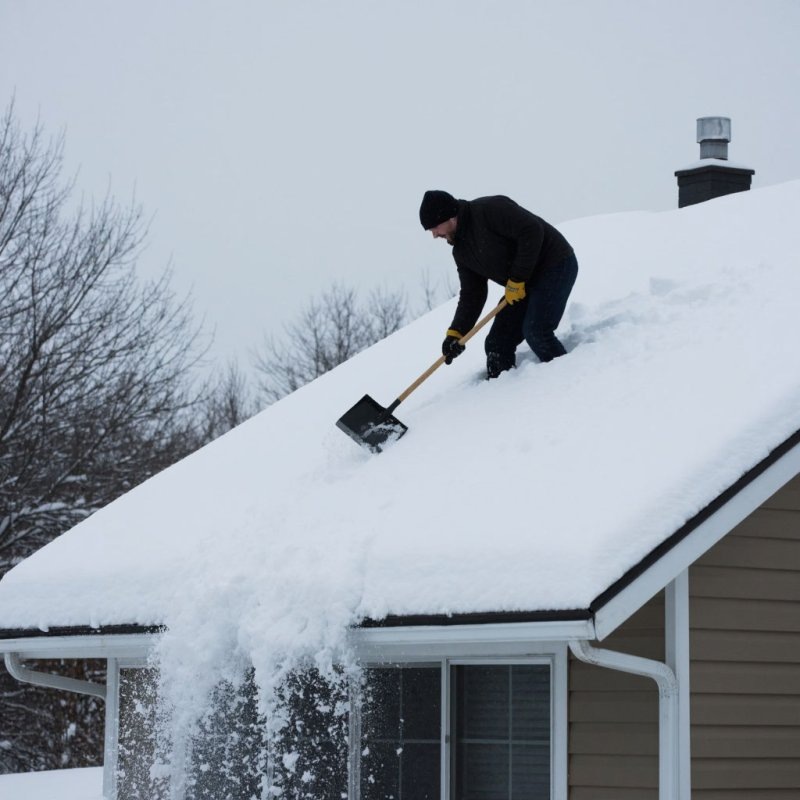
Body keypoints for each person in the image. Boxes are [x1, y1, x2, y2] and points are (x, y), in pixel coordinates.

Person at [419, 190, 578, 378]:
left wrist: (517, 279)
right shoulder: (461, 252)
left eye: (435, 228)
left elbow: (532, 231)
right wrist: (456, 333)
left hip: (555, 265)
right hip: (522, 285)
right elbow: (472, 293)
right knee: (496, 344)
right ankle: (503, 396)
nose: (435, 235)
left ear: (450, 216)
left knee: (536, 331)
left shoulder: (490, 210)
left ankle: (569, 383)